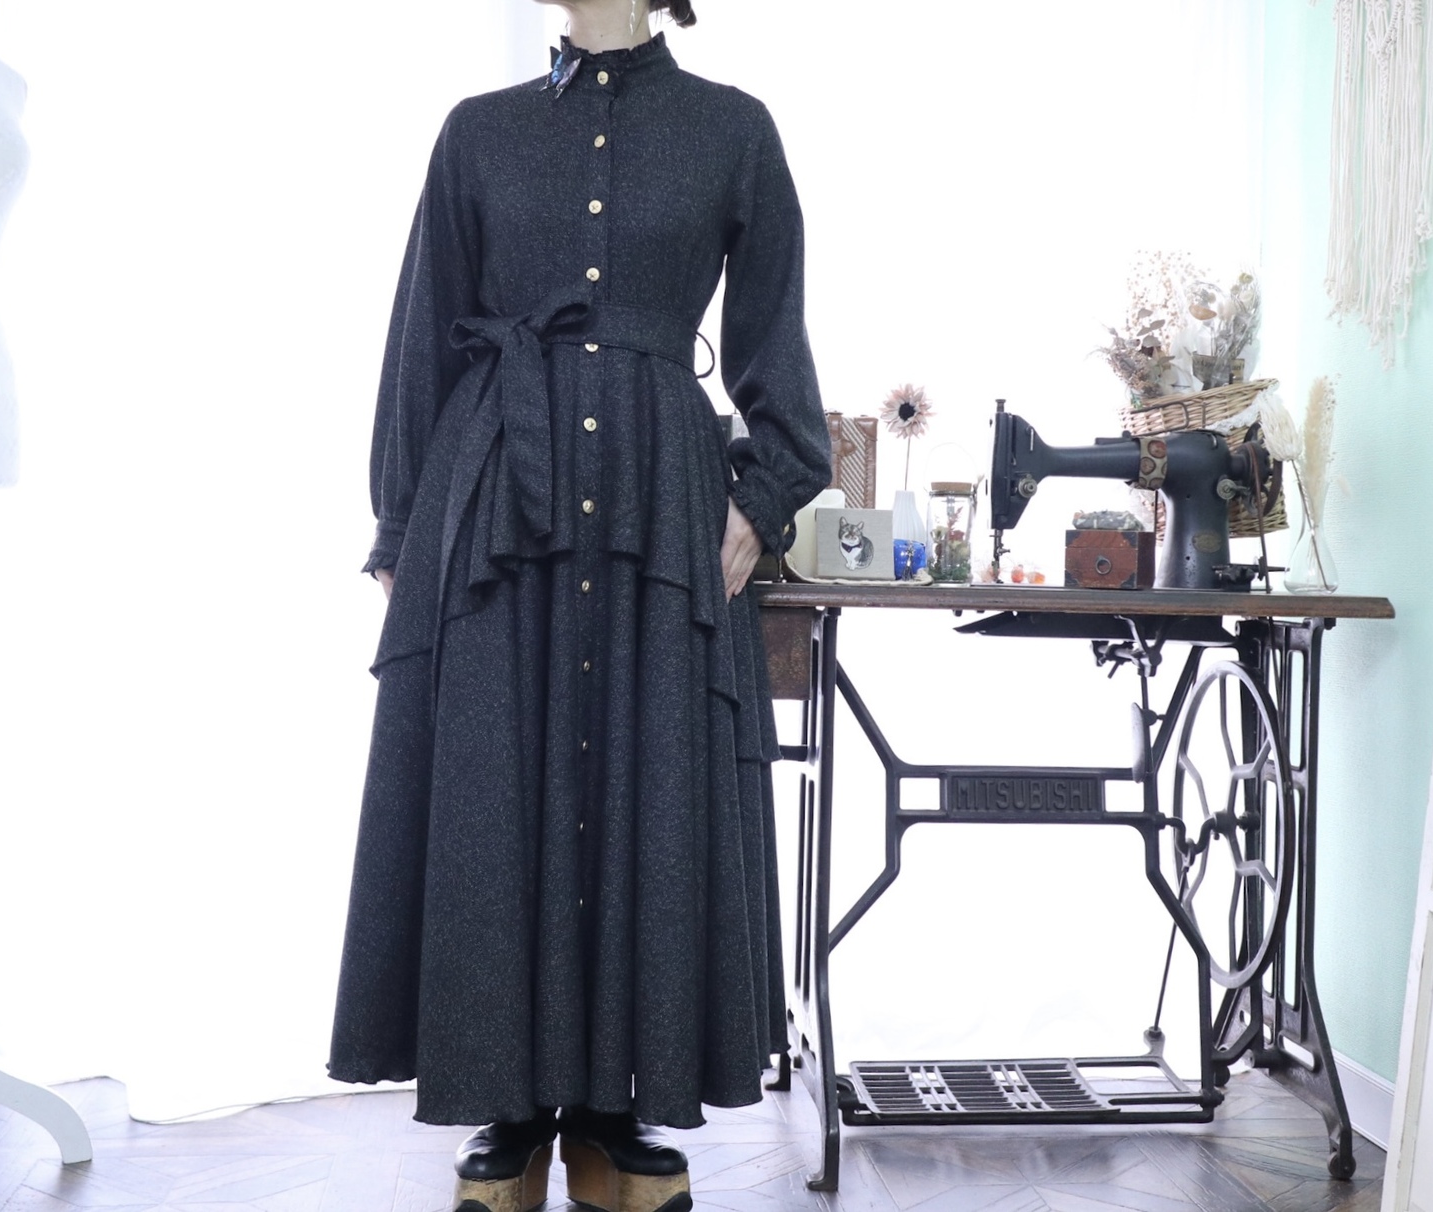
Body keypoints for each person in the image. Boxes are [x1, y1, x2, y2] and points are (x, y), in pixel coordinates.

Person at [327, 1, 831, 1209]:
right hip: (498, 494)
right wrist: (401, 527)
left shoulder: (733, 130)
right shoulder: (477, 131)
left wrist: (762, 497)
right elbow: (420, 338)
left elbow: (774, 338)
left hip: (662, 498)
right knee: (496, 784)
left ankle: (614, 1108)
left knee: (644, 782)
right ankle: (507, 1103)